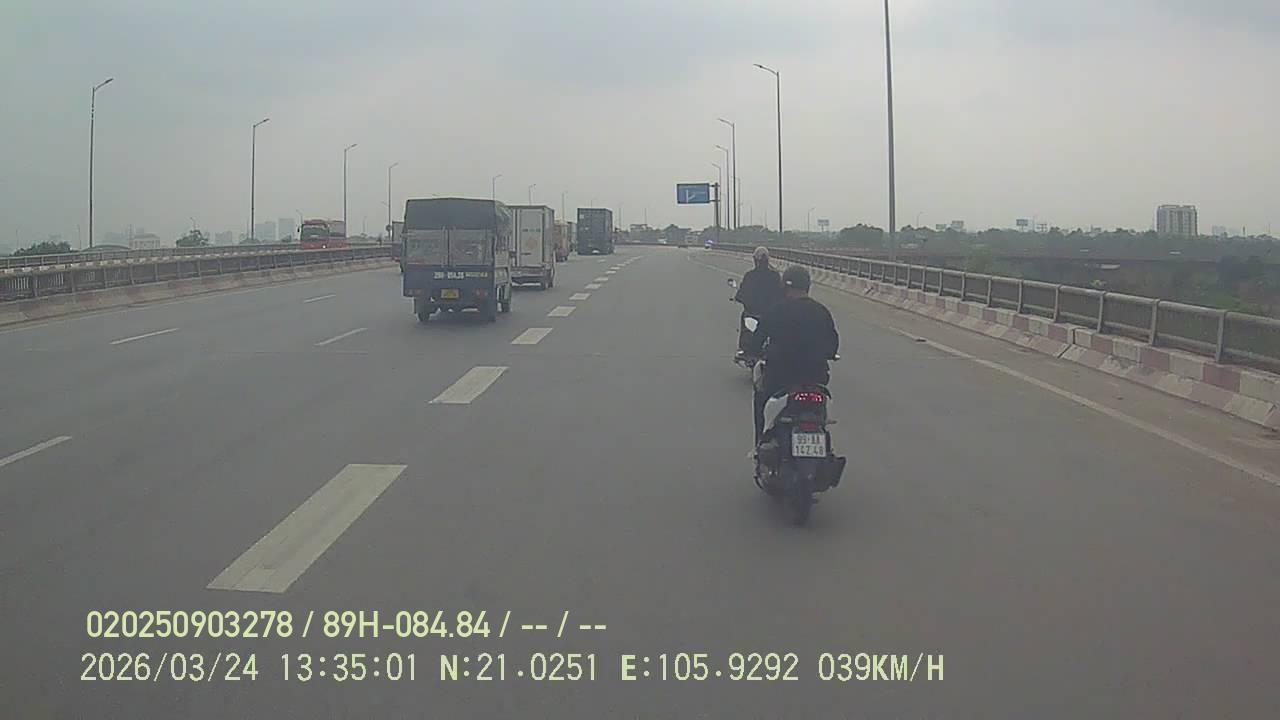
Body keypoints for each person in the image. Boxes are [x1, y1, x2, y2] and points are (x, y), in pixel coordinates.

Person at [749, 265, 839, 445]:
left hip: (781, 377)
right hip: (815, 378)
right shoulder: (821, 311)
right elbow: (833, 346)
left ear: (785, 286)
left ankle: (761, 442)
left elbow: (757, 339)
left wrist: (754, 351)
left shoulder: (777, 310)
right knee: (820, 412)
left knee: (761, 400)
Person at [733, 247, 784, 352]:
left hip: (753, 313)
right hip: (770, 314)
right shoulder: (774, 276)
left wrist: (739, 298)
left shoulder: (750, 276)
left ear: (755, 260)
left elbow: (741, 293)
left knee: (745, 322)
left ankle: (743, 349)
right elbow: (781, 294)